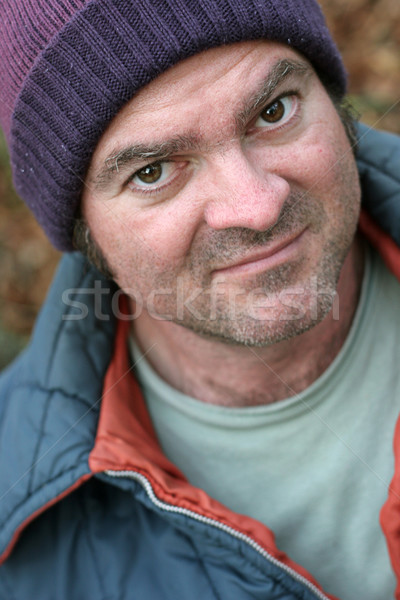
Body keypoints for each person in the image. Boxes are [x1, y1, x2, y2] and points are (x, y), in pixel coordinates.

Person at [0, 0, 399, 598]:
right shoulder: (22, 530)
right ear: (86, 234)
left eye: (273, 111)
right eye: (155, 171)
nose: (257, 206)